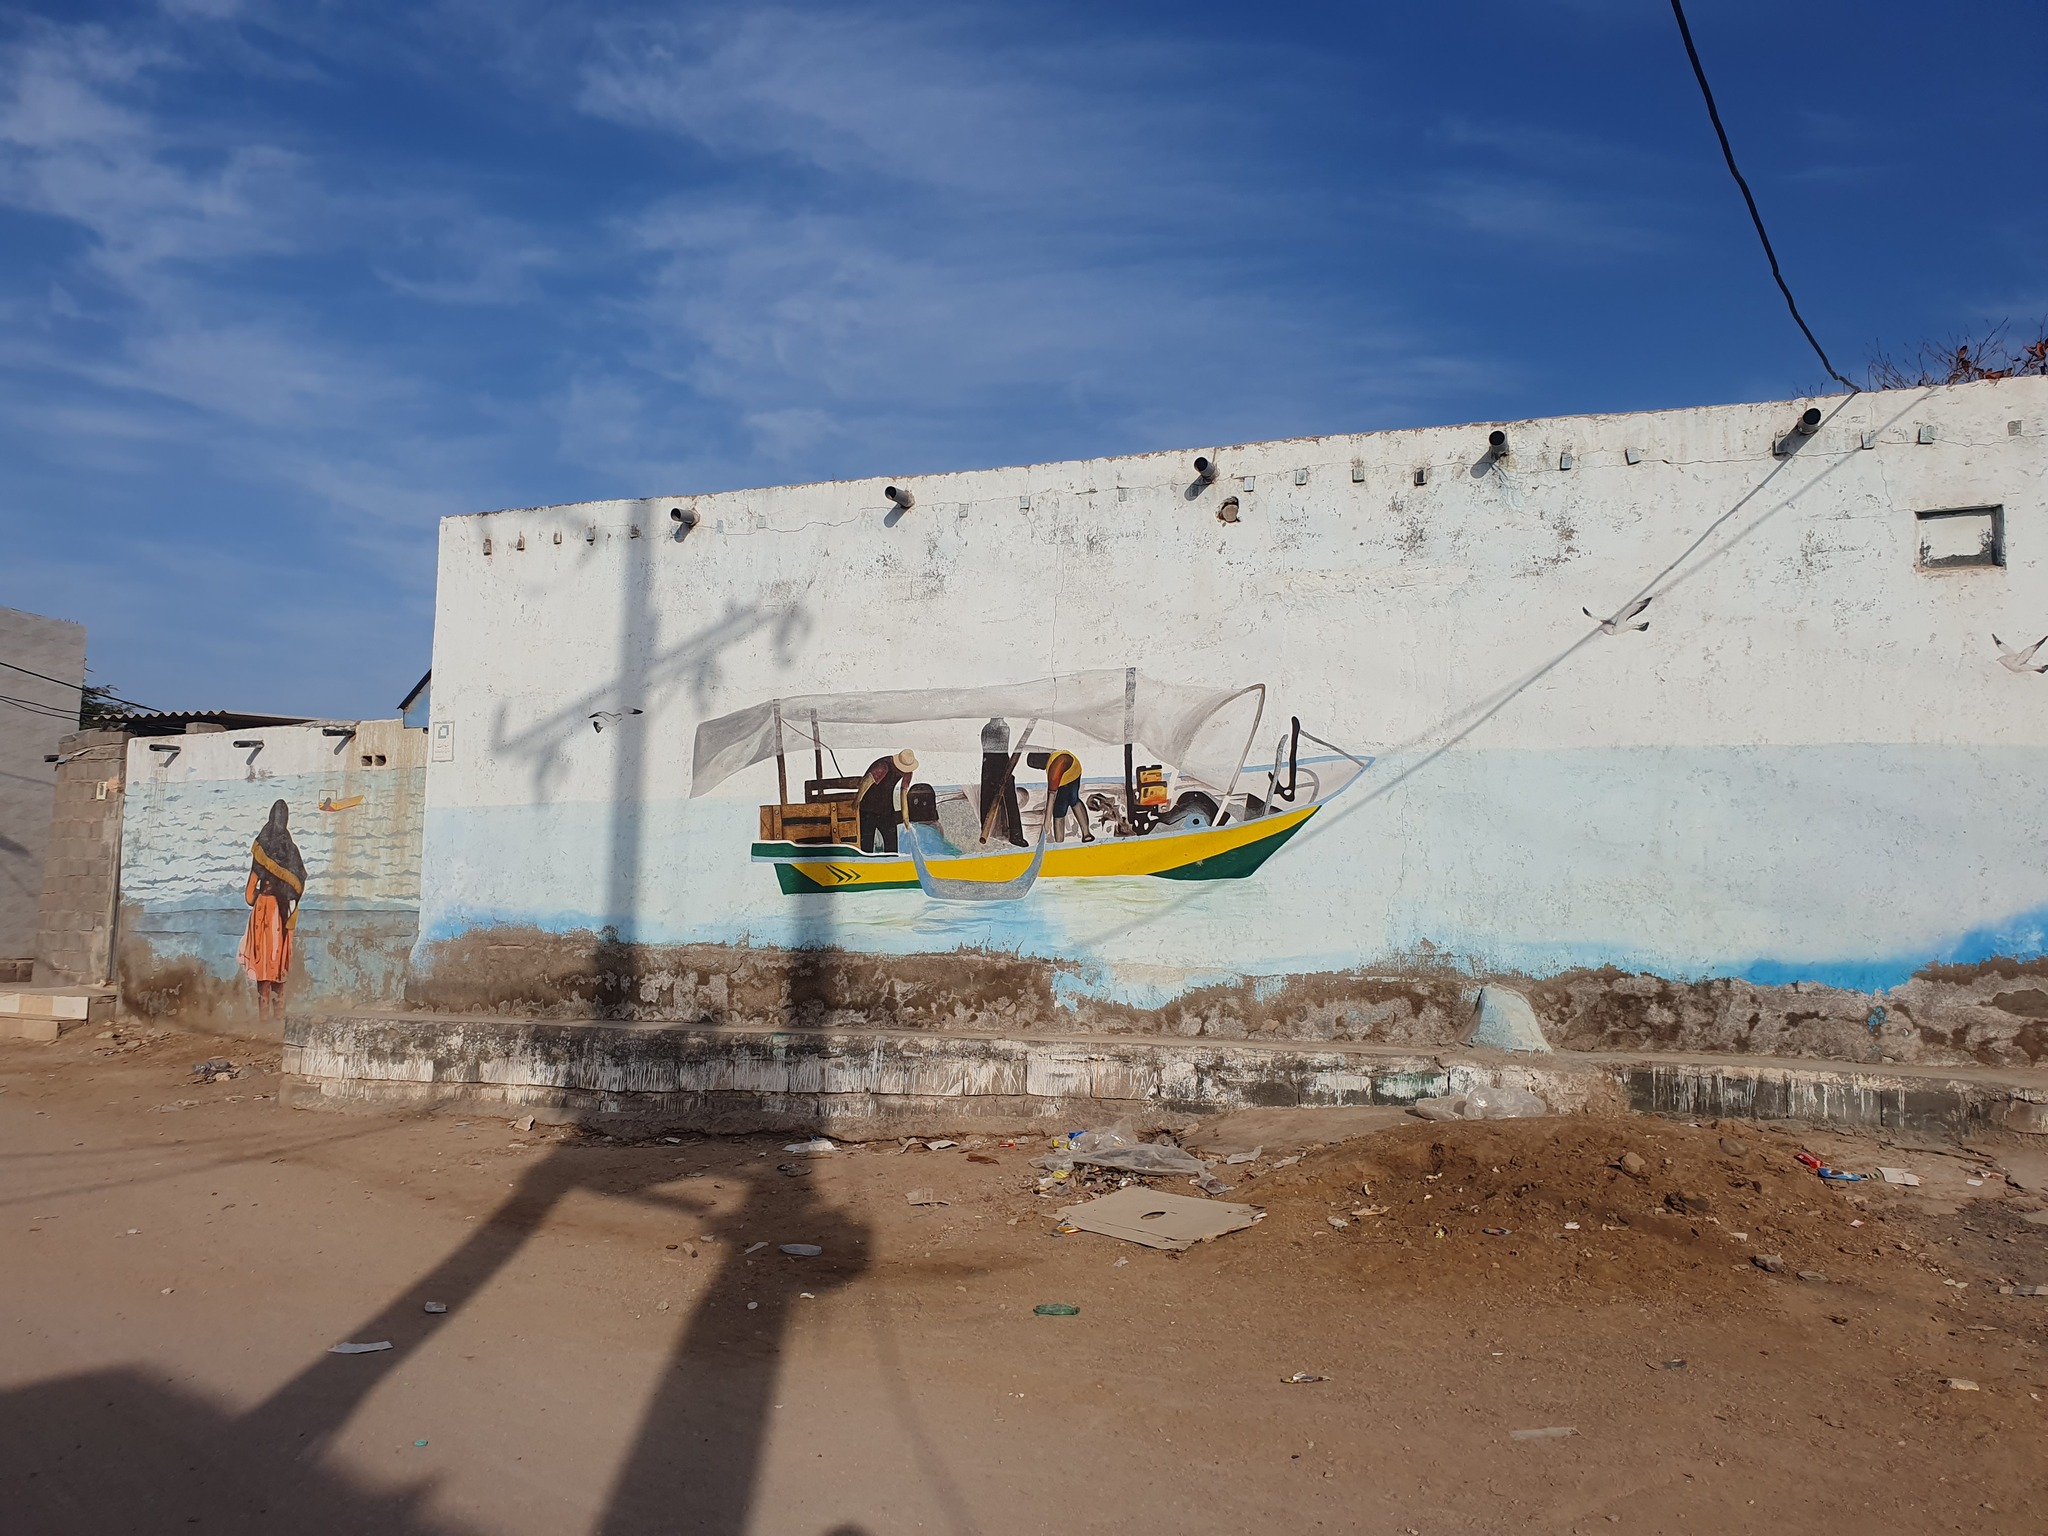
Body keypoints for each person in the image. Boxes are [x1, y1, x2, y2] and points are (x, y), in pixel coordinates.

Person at [238, 799, 305, 1022]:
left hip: (262, 913)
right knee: (279, 969)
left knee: (263, 970)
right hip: (282, 914)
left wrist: (260, 898)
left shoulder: (261, 849)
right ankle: (279, 1020)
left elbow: (249, 896)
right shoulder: (291, 851)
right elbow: (297, 887)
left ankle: (263, 1021)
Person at [857, 748, 919, 853]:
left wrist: (906, 819)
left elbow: (903, 792)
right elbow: (866, 782)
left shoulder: (908, 771)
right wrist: (857, 801)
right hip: (868, 806)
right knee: (866, 843)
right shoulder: (883, 766)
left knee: (891, 843)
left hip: (886, 809)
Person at [978, 717, 1026, 847]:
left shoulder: (990, 728)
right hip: (997, 764)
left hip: (993, 764)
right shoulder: (1002, 728)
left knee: (1003, 799)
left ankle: (1014, 834)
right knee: (1005, 799)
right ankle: (1014, 835)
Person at [1044, 748, 1094, 844]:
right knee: (1073, 800)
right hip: (1075, 768)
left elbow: (1051, 798)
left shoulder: (1054, 771)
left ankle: (1059, 841)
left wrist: (1047, 822)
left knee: (1059, 809)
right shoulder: (1054, 757)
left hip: (1069, 773)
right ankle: (1086, 833)